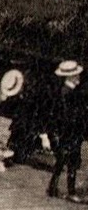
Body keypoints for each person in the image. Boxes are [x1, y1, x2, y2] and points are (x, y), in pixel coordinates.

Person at [46, 60, 86, 199]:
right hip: (68, 133)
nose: (79, 77)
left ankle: (53, 188)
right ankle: (70, 192)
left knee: (63, 161)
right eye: (77, 75)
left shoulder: (66, 91)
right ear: (71, 77)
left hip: (66, 133)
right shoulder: (68, 93)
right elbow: (68, 115)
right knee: (70, 161)